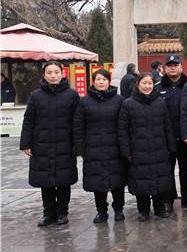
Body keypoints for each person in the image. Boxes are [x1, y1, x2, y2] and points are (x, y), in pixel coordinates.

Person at [20, 61, 80, 226]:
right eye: (49, 73)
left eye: (56, 72)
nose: (53, 76)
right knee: (45, 182)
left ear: (62, 73)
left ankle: (62, 213)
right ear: (44, 75)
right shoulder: (36, 96)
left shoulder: (72, 95)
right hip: (42, 145)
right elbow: (29, 121)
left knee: (63, 181)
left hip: (65, 145)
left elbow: (78, 123)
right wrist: (26, 143)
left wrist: (77, 145)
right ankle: (48, 213)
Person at [118, 72, 176, 221]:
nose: (147, 86)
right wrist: (126, 151)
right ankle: (143, 210)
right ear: (138, 85)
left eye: (150, 83)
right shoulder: (128, 104)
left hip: (159, 147)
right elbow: (123, 131)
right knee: (141, 180)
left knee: (160, 178)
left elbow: (168, 126)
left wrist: (171, 147)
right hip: (138, 149)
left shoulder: (160, 102)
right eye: (144, 83)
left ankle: (159, 208)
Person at [73, 69, 127, 223]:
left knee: (117, 181)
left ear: (109, 81)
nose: (101, 82)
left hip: (115, 147)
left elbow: (125, 125)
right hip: (93, 148)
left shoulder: (120, 100)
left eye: (104, 79)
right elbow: (78, 127)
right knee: (97, 182)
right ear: (93, 82)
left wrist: (125, 147)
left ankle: (119, 209)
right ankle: (101, 211)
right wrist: (81, 149)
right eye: (98, 79)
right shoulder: (84, 102)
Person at [158, 55, 187, 211]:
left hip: (186, 137)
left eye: (175, 65)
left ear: (181, 67)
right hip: (165, 137)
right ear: (164, 68)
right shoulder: (157, 88)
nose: (172, 68)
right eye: (169, 65)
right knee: (167, 170)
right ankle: (168, 200)